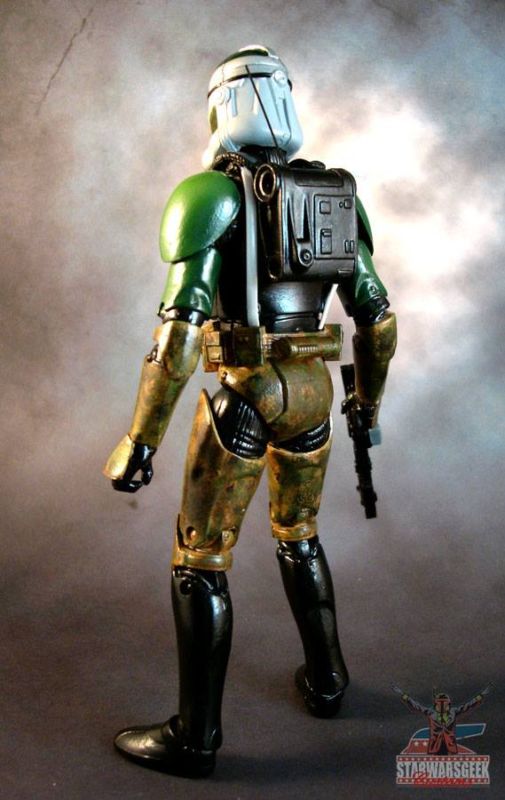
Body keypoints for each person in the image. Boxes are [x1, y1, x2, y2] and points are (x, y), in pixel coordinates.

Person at [104, 45, 397, 778]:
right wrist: (365, 402)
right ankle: (327, 681)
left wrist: (140, 439)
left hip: (247, 393)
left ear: (220, 108)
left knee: (199, 560)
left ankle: (195, 737)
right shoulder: (335, 193)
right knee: (298, 534)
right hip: (314, 394)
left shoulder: (211, 195)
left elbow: (177, 331)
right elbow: (377, 318)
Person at [393, 685, 492, 755]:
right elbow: (416, 706)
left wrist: (480, 696)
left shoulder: (453, 712)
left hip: (450, 746)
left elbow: (468, 706)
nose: (442, 706)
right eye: (440, 703)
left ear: (448, 704)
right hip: (435, 747)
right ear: (436, 704)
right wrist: (403, 695)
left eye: (444, 703)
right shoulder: (431, 713)